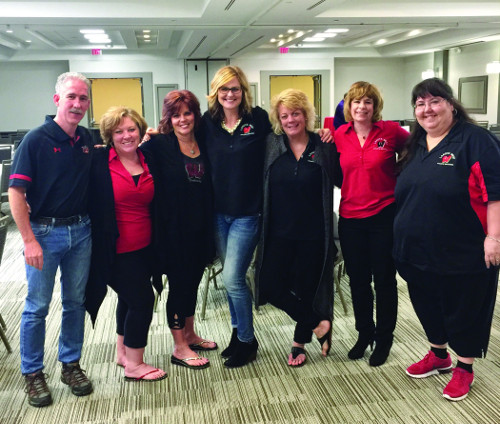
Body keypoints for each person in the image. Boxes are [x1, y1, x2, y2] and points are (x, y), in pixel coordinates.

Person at [202, 65, 332, 368]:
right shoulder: (207, 123)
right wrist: (154, 135)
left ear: (243, 91)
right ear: (216, 92)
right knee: (233, 280)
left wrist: (322, 132)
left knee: (234, 278)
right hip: (219, 214)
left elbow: (291, 135)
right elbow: (182, 137)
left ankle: (248, 341)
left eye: (235, 88)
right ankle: (238, 334)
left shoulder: (257, 119)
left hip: (248, 213)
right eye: (224, 89)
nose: (230, 94)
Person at [393, 78, 500, 401]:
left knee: (464, 307)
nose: (427, 109)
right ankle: (438, 355)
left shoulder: (475, 141)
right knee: (427, 303)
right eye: (420, 104)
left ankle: (464, 367)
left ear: (451, 104)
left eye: (435, 101)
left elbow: (495, 193)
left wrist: (494, 237)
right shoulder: (416, 144)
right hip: (416, 248)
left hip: (463, 249)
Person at [8, 72, 94, 407]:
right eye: (71, 96)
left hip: (81, 232)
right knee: (37, 306)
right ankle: (32, 373)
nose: (77, 104)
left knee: (75, 303)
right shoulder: (35, 140)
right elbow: (16, 192)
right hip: (44, 234)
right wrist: (28, 240)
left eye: (83, 98)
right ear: (57, 99)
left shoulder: (86, 138)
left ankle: (70, 365)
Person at [255, 89, 338, 366]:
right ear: (278, 119)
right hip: (278, 232)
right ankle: (318, 323)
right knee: (268, 285)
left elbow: (342, 177)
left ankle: (299, 343)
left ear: (306, 115)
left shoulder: (323, 146)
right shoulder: (271, 144)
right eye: (284, 116)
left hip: (313, 234)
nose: (290, 120)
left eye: (296, 113)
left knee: (306, 289)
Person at [85, 106, 166, 382]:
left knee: (129, 299)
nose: (126, 136)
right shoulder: (98, 160)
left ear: (141, 131)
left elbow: (167, 139)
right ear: (109, 135)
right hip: (114, 251)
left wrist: (156, 134)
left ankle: (123, 353)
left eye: (132, 129)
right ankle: (134, 365)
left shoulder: (148, 158)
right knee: (142, 301)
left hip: (144, 248)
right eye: (118, 131)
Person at [334, 81, 409, 366]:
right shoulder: (339, 135)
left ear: (375, 106)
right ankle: (364, 333)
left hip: (383, 216)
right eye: (356, 101)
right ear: (348, 106)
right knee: (358, 281)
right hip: (350, 218)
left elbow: (417, 147)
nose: (362, 107)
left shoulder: (390, 131)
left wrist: (401, 172)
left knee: (385, 280)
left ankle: (384, 338)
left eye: (368, 101)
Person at [140, 90, 216, 370]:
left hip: (201, 228)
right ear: (168, 118)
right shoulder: (159, 145)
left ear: (195, 114)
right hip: (172, 231)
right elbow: (128, 151)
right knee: (179, 285)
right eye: (176, 115)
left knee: (193, 282)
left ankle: (190, 333)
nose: (183, 119)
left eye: (187, 113)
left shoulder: (204, 141)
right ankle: (179, 346)